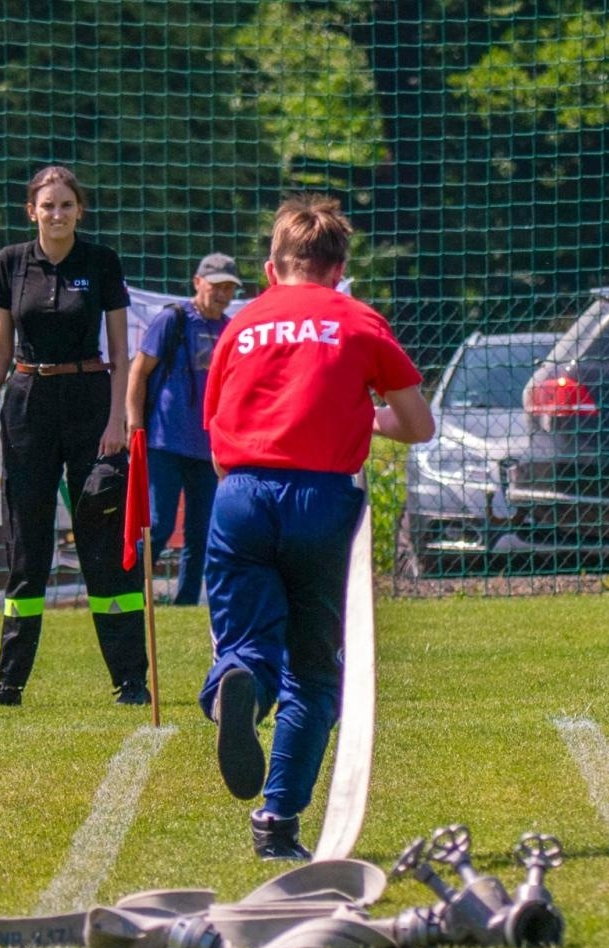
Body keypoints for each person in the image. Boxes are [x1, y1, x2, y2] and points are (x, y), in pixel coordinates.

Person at [200, 195, 431, 860]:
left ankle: (238, 683)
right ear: (339, 269)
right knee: (315, 671)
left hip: (241, 493)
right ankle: (277, 823)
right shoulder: (358, 321)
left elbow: (216, 434)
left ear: (273, 268)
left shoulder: (242, 327)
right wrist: (367, 419)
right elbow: (417, 425)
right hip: (322, 500)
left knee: (247, 642)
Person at [0, 165, 147, 707]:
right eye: (48, 206)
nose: (57, 214)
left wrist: (119, 419)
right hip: (27, 405)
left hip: (91, 404)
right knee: (28, 548)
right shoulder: (10, 263)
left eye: (67, 205)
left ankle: (130, 680)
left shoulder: (102, 262)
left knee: (104, 543)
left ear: (79, 210)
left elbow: (121, 353)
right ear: (32, 211)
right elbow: (1, 348)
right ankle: (9, 683)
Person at [124, 252, 240, 606]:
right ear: (197, 282)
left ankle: (187, 601)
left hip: (208, 448)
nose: (222, 294)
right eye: (216, 285)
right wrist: (134, 423)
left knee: (200, 531)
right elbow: (139, 372)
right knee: (158, 525)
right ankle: (128, 591)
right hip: (164, 442)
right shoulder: (172, 319)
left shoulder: (229, 329)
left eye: (229, 288)